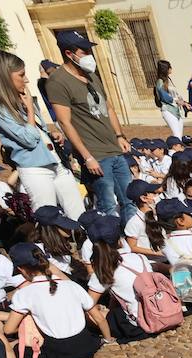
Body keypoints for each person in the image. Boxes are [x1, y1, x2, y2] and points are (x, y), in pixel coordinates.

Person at [47, 30, 137, 223]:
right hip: (95, 153)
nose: (89, 55)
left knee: (129, 199)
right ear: (69, 54)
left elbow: (109, 107)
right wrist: (87, 157)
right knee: (107, 204)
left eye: (89, 51)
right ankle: (110, 244)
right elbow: (65, 122)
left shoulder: (92, 75)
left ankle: (131, 238)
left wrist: (119, 135)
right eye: (84, 51)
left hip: (114, 147)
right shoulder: (58, 81)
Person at [0, 51, 85, 219]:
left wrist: (52, 133)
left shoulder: (24, 96)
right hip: (35, 169)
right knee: (48, 219)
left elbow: (39, 131)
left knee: (78, 212)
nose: (26, 80)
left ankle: (86, 243)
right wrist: (30, 109)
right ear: (5, 77)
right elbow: (29, 139)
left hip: (56, 161)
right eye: (21, 75)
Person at [4, 242, 111, 358]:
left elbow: (8, 329)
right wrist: (108, 340)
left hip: (58, 351)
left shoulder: (24, 294)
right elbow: (99, 318)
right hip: (86, 344)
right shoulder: (72, 286)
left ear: (21, 269)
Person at [154, 60, 188, 139]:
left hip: (177, 110)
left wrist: (184, 103)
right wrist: (176, 100)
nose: (171, 69)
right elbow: (164, 96)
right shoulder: (160, 82)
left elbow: (176, 94)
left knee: (179, 134)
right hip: (168, 110)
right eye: (169, 67)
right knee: (177, 135)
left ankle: (177, 150)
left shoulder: (169, 80)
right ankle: (174, 151)